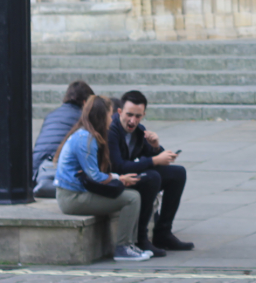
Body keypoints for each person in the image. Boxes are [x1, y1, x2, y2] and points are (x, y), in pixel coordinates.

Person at [54, 95, 152, 261]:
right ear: (101, 116)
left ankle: (129, 245)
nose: (111, 118)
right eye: (110, 114)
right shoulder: (86, 138)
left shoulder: (87, 134)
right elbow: (95, 176)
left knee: (131, 195)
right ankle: (123, 248)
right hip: (71, 198)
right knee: (132, 198)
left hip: (77, 192)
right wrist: (119, 178)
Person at [108, 90, 193, 256]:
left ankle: (163, 233)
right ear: (119, 112)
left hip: (130, 175)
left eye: (138, 116)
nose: (133, 121)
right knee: (152, 178)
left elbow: (152, 156)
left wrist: (155, 147)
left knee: (178, 173)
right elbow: (117, 166)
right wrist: (155, 160)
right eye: (129, 115)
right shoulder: (111, 130)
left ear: (143, 114)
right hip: (115, 180)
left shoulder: (139, 131)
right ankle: (141, 238)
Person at [33, 80, 94, 184]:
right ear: (85, 102)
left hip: (35, 171)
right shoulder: (82, 119)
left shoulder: (51, 115)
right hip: (58, 173)